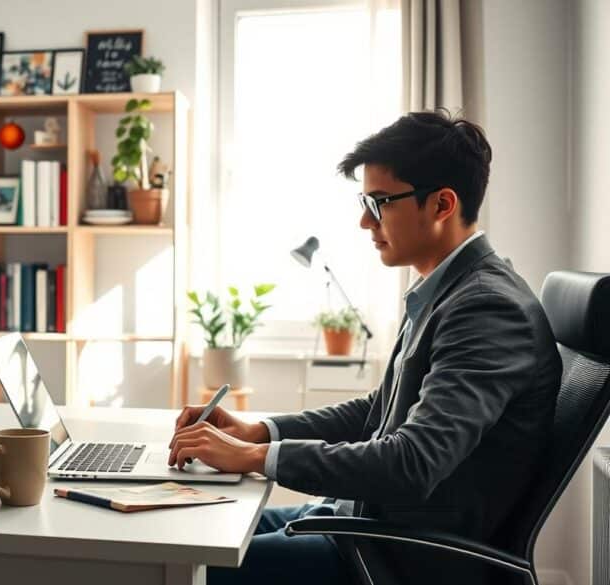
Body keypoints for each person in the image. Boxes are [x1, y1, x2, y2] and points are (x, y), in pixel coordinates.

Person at [170, 110, 562, 585]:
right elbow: (378, 410)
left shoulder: (486, 310)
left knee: (185, 570)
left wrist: (253, 459)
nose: (363, 221)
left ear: (441, 205)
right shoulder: (447, 289)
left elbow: (413, 462)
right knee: (189, 535)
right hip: (366, 524)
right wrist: (258, 432)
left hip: (396, 557)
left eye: (378, 203)